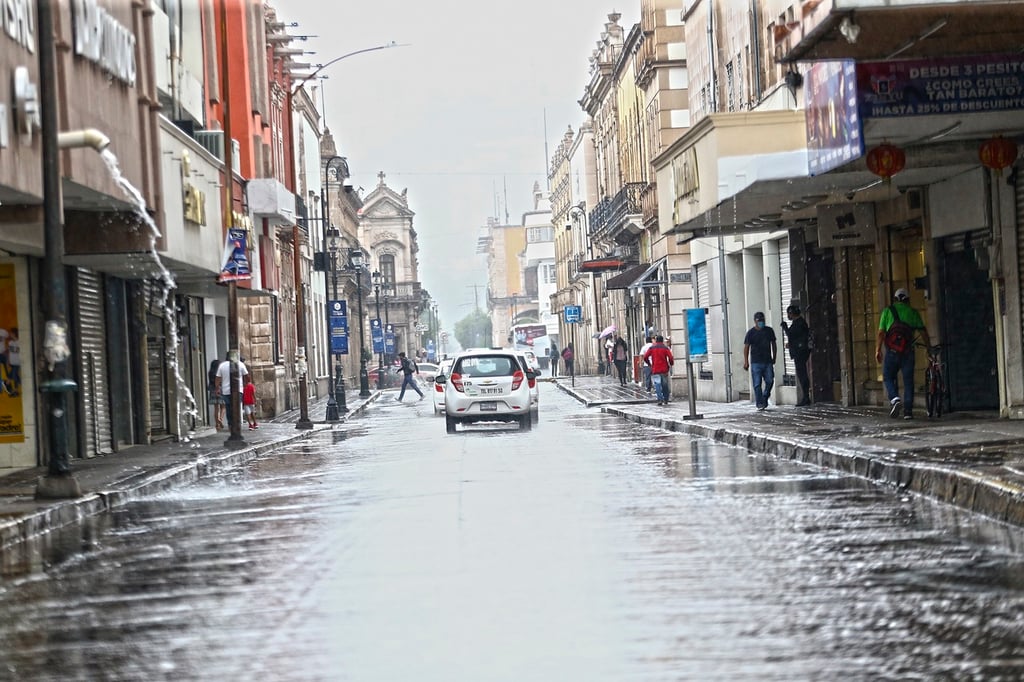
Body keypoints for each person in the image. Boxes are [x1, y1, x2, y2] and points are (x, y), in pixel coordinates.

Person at [876, 287, 930, 420]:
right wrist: (929, 347)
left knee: (888, 376)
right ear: (907, 300)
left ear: (895, 299)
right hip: (907, 352)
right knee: (908, 381)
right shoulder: (912, 312)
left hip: (892, 352)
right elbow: (923, 332)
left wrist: (877, 350)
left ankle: (894, 399)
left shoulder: (887, 311)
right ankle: (908, 412)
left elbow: (881, 333)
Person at [743, 311, 777, 411]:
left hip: (767, 361)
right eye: (759, 321)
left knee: (770, 381)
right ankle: (760, 402)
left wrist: (774, 357)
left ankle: (765, 396)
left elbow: (773, 344)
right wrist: (746, 361)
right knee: (757, 384)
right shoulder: (750, 333)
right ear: (755, 321)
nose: (761, 323)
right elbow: (746, 347)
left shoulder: (769, 331)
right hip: (756, 362)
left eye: (762, 321)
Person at [780, 305, 811, 406]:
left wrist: (785, 328)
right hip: (800, 351)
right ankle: (806, 396)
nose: (788, 316)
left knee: (802, 374)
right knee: (802, 374)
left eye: (789, 313)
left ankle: (806, 397)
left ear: (792, 313)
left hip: (800, 352)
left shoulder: (799, 323)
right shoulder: (799, 323)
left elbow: (792, 335)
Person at [216, 354, 249, 429]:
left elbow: (217, 378)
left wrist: (217, 388)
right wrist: (245, 384)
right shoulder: (240, 364)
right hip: (238, 390)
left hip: (226, 391)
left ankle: (230, 424)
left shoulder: (222, 365)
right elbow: (247, 376)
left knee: (228, 408)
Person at [643, 335, 674, 406]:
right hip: (664, 369)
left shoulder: (652, 348)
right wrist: (671, 364)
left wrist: (649, 364)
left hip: (655, 369)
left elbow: (645, 357)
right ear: (662, 340)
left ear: (656, 340)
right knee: (665, 384)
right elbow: (670, 357)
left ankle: (660, 399)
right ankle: (666, 399)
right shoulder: (665, 348)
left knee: (657, 384)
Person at [208, 359, 224, 429]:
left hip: (212, 391)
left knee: (216, 408)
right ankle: (220, 419)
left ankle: (217, 424)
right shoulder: (220, 372)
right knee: (223, 407)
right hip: (220, 390)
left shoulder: (210, 373)